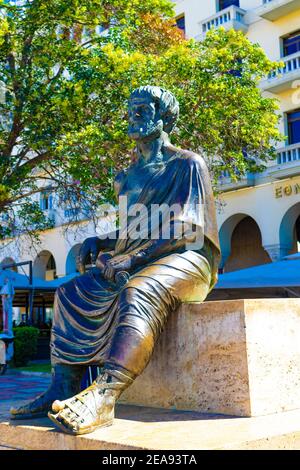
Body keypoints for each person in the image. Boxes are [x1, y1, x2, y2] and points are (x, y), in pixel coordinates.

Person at [11, 86, 220, 435]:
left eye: (144, 108)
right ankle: (62, 386)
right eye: (131, 108)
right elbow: (135, 230)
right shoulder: (126, 176)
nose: (134, 114)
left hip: (188, 256)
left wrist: (131, 259)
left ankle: (105, 396)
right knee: (70, 292)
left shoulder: (188, 163)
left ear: (164, 114)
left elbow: (187, 225)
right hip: (143, 257)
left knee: (138, 291)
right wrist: (103, 241)